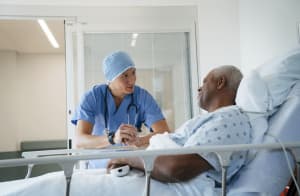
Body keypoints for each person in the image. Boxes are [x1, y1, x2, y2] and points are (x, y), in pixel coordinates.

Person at [106, 65, 252, 193]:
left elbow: (176, 168)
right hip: (154, 174)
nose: (199, 88)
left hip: (169, 183)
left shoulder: (228, 120)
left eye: (205, 81)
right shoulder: (214, 119)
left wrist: (129, 158)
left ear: (220, 82)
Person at [71, 51, 169, 168]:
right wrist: (113, 139)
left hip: (131, 166)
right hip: (98, 170)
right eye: (125, 76)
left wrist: (140, 141)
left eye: (133, 73)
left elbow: (164, 132)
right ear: (111, 78)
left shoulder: (142, 97)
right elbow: (79, 141)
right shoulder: (92, 97)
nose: (132, 80)